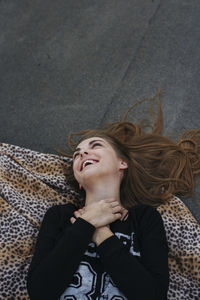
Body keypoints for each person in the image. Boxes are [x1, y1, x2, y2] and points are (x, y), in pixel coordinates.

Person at [26, 93, 200, 300]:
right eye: (76, 154)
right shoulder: (60, 216)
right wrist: (86, 223)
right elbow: (39, 291)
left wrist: (101, 233)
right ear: (79, 182)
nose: (81, 154)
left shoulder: (143, 219)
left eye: (95, 146)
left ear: (122, 163)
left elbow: (152, 295)